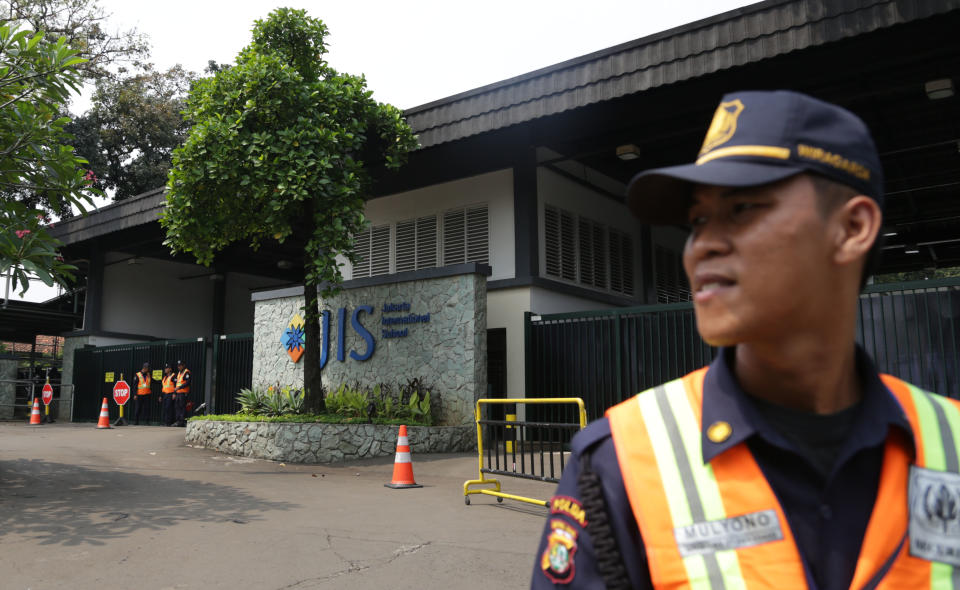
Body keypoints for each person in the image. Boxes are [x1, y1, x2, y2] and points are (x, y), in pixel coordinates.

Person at [531, 90, 960, 589]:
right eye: (697, 221)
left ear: (852, 227)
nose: (700, 246)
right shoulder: (618, 463)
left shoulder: (949, 446)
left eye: (742, 207)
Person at [173, 359, 191, 427]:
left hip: (183, 393)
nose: (179, 367)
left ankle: (182, 421)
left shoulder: (187, 372)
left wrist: (180, 387)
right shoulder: (179, 373)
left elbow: (187, 383)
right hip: (178, 393)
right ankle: (178, 421)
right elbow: (177, 383)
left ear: (183, 365)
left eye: (180, 366)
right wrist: (175, 392)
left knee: (182, 407)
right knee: (177, 407)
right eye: (178, 366)